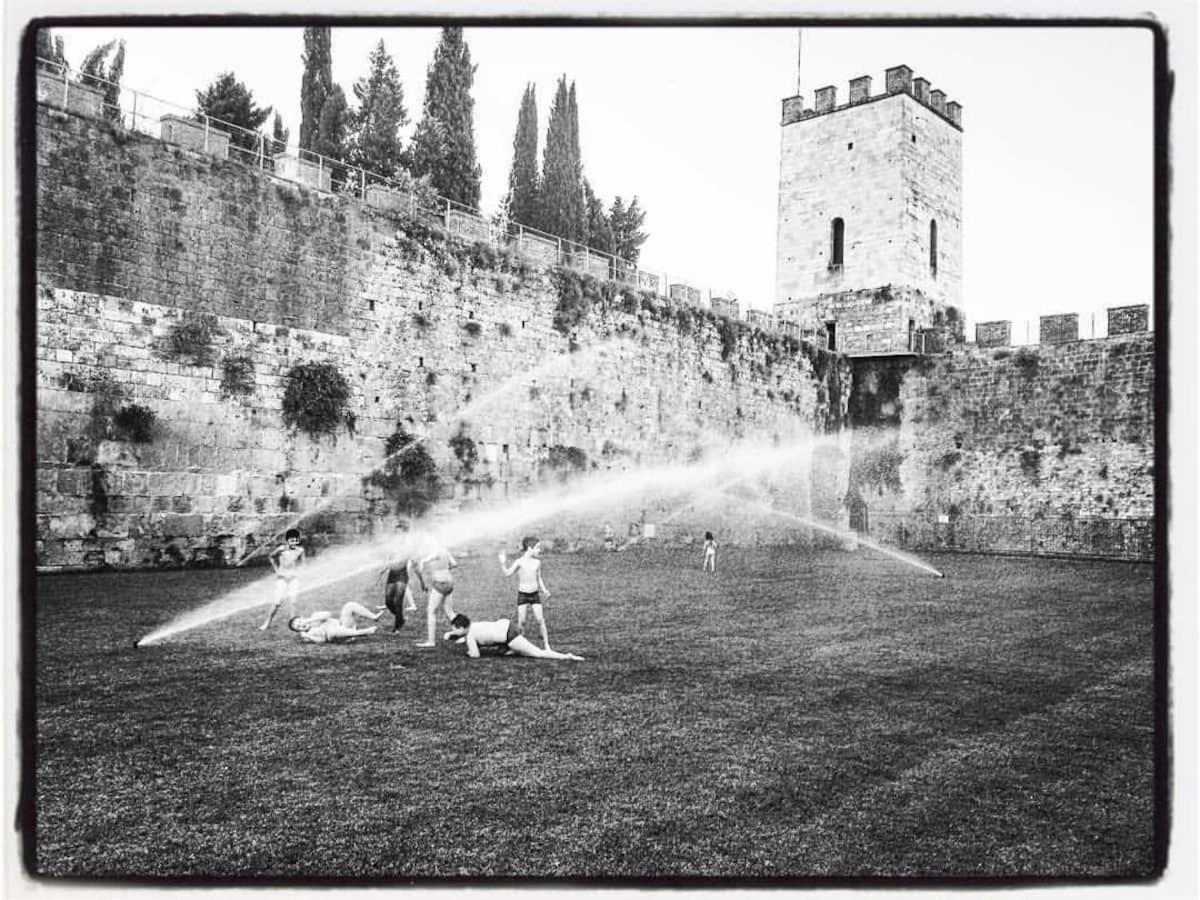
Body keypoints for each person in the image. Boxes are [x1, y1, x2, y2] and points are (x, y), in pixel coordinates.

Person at [445, 614, 583, 661]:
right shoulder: (474, 626)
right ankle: (509, 649)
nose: (454, 632)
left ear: (462, 628)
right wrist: (452, 635)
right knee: (502, 652)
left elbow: (475, 655)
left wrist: (468, 652)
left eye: (454, 630)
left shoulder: (470, 636)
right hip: (506, 627)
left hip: (509, 634)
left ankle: (567, 656)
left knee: (538, 654)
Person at [498, 536, 553, 651]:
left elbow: (539, 578)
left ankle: (547, 645)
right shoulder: (520, 562)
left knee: (540, 619)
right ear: (529, 548)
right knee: (521, 622)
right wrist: (503, 563)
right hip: (523, 595)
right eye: (537, 548)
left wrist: (544, 590)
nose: (539, 550)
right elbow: (507, 573)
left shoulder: (537, 563)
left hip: (534, 595)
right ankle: (518, 646)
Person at [260, 528, 306, 630]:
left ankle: (293, 623)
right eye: (292, 540)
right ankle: (267, 622)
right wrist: (277, 570)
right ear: (287, 541)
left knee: (293, 602)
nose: (294, 543)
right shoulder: (281, 549)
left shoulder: (300, 550)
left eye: (296, 540)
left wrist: (298, 572)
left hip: (294, 578)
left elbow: (303, 564)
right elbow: (271, 557)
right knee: (277, 602)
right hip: (282, 578)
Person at [415, 543, 458, 648]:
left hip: (440, 584)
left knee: (431, 611)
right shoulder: (444, 550)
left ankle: (431, 641)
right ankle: (462, 634)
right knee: (449, 611)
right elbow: (454, 563)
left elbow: (432, 557)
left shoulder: (436, 551)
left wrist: (423, 561)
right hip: (449, 582)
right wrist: (445, 569)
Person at [287, 601, 384, 644]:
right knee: (331, 631)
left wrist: (310, 620)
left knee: (349, 605)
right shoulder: (307, 635)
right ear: (298, 630)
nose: (301, 625)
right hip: (341, 637)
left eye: (299, 621)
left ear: (302, 618)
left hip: (345, 625)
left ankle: (373, 616)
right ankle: (364, 632)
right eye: (298, 626)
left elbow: (328, 614)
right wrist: (308, 637)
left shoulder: (314, 616)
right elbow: (322, 641)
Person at [383, 553, 424, 632]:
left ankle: (397, 626)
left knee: (398, 601)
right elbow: (388, 561)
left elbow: (415, 567)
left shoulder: (407, 550)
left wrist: (422, 582)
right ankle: (400, 618)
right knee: (388, 601)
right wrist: (384, 569)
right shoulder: (392, 549)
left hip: (402, 576)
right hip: (392, 576)